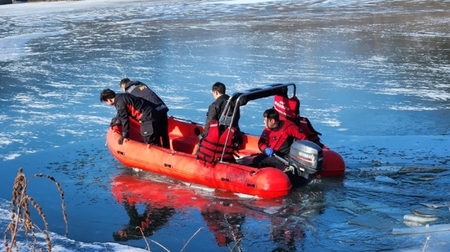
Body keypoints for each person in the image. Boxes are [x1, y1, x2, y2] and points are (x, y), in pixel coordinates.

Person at [120, 78, 170, 149]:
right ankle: (167, 150)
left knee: (154, 134)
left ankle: (158, 154)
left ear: (123, 87)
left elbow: (129, 108)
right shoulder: (140, 84)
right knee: (164, 134)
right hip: (162, 107)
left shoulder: (128, 92)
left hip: (153, 111)